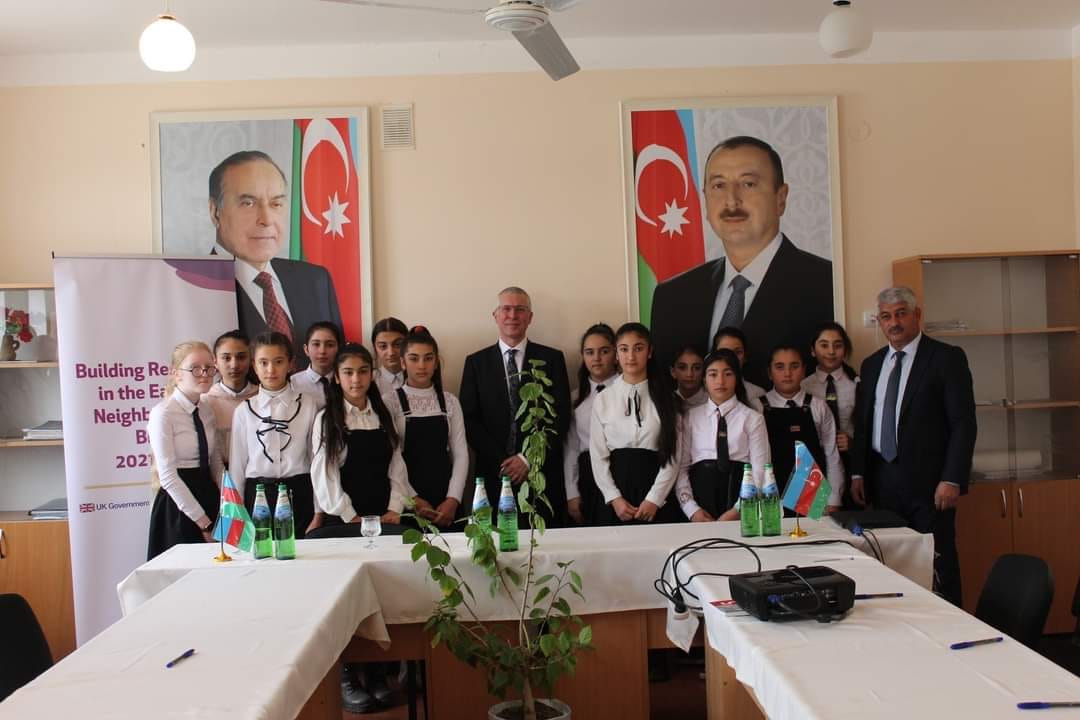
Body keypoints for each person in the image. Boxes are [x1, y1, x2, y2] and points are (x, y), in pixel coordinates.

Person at [650, 136, 834, 387]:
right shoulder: (672, 296)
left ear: (781, 198)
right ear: (705, 199)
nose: (731, 201)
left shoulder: (826, 284)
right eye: (718, 186)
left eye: (748, 184)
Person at [310, 343, 425, 713]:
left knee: (383, 593)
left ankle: (377, 672)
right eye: (348, 372)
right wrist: (349, 515)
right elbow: (324, 475)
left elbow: (397, 467)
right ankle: (347, 674)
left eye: (362, 371)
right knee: (346, 598)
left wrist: (394, 508)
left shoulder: (383, 415)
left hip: (381, 519)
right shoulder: (327, 419)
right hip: (345, 522)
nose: (356, 379)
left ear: (372, 374)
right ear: (337, 377)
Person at [851, 287, 977, 607]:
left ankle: (951, 626)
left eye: (901, 313)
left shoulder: (946, 358)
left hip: (931, 485)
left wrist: (952, 478)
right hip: (883, 482)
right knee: (890, 563)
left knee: (938, 563)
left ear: (916, 315)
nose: (894, 322)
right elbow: (864, 424)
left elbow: (963, 423)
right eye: (886, 316)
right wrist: (857, 474)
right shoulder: (872, 364)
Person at [208, 150, 341, 367]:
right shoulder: (196, 287)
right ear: (215, 211)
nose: (267, 219)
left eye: (276, 204)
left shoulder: (315, 279)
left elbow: (337, 363)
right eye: (248, 203)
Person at [459, 287, 572, 527]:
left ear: (530, 317)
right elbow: (469, 420)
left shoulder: (552, 359)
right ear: (495, 315)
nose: (513, 315)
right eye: (506, 309)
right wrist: (504, 462)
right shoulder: (476, 363)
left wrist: (526, 459)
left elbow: (560, 417)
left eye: (520, 310)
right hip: (492, 475)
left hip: (540, 474)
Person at [229, 331, 321, 537]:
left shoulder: (307, 404)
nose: (271, 370)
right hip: (258, 495)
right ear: (254, 366)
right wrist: (237, 514)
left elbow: (315, 459)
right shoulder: (244, 410)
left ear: (290, 364)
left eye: (278, 362)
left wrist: (318, 510)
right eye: (263, 363)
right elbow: (237, 467)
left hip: (299, 492)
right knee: (261, 553)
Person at [589, 322, 682, 525]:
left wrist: (654, 499)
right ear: (616, 354)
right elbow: (598, 456)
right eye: (624, 349)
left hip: (656, 493)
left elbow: (673, 456)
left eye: (638, 348)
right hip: (616, 494)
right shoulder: (603, 399)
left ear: (649, 352)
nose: (631, 356)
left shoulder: (669, 399)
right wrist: (614, 498)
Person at [383, 327, 468, 529]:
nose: (421, 365)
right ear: (403, 362)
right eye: (414, 359)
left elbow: (461, 455)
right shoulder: (390, 401)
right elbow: (392, 458)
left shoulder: (450, 401)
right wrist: (413, 500)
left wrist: (453, 499)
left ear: (436, 362)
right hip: (407, 500)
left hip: (446, 501)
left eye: (428, 358)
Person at [147, 341, 223, 559]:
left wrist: (229, 502)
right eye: (195, 368)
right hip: (179, 505)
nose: (204, 374)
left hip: (208, 495)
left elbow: (215, 462)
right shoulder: (163, 414)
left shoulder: (206, 410)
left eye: (209, 368)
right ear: (176, 373)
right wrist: (204, 523)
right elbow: (168, 477)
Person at [676, 349, 770, 523]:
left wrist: (739, 509)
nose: (720, 381)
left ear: (737, 378)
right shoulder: (690, 417)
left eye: (728, 374)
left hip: (741, 508)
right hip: (699, 509)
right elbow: (681, 468)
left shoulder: (753, 419)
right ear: (704, 380)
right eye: (713, 374)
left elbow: (760, 471)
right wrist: (691, 509)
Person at [761, 345, 844, 512]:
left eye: (794, 366)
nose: (787, 373)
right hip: (770, 497)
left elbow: (831, 455)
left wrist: (834, 499)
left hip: (813, 497)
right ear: (769, 373)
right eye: (779, 367)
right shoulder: (757, 408)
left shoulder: (819, 406)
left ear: (804, 370)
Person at [563, 323, 619, 526]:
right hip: (589, 475)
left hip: (621, 469)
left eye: (604, 351)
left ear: (615, 353)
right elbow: (571, 447)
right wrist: (572, 492)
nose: (596, 358)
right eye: (589, 352)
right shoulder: (575, 398)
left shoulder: (628, 390)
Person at [802, 322, 859, 506]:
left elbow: (868, 428)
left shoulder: (857, 384)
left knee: (847, 516)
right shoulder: (803, 386)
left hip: (849, 463)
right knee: (815, 515)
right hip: (813, 463)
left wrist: (853, 443)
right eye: (824, 345)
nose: (831, 351)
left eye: (838, 345)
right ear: (813, 350)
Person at [202, 330, 257, 460]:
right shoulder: (205, 402)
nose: (234, 365)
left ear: (251, 360)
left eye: (241, 357)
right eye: (226, 358)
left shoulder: (262, 397)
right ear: (215, 362)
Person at [290, 321, 342, 411]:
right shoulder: (292, 384)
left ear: (338, 349)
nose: (322, 351)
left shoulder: (346, 381)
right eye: (316, 344)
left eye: (330, 345)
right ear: (306, 349)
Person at [712, 326, 766, 411]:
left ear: (745, 356)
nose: (732, 358)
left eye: (738, 352)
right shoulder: (704, 395)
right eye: (725, 352)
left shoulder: (758, 393)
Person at [370, 317, 408, 393]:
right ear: (375, 349)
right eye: (383, 346)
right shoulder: (369, 380)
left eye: (397, 345)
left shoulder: (419, 376)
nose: (391, 353)